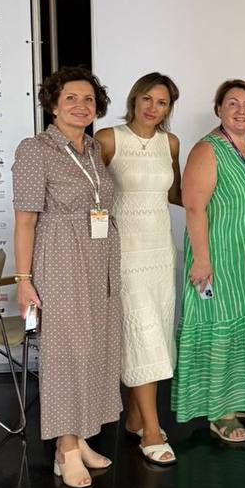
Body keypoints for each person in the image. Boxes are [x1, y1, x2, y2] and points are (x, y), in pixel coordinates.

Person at [12, 66, 121, 488]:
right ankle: (65, 449)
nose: (81, 105)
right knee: (65, 354)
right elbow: (25, 221)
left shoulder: (93, 148)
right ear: (53, 105)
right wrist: (24, 279)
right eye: (71, 98)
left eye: (89, 99)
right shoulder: (35, 149)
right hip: (60, 261)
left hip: (100, 260)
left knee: (94, 350)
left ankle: (79, 435)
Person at [171, 79, 245, 445]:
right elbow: (194, 208)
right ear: (218, 109)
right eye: (232, 103)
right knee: (221, 325)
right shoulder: (207, 149)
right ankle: (220, 410)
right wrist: (201, 260)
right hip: (217, 255)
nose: (240, 110)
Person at [96, 72, 182, 466]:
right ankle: (151, 429)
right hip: (125, 254)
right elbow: (91, 193)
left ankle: (134, 416)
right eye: (147, 98)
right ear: (134, 99)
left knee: (156, 334)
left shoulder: (171, 143)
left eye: (161, 102)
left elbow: (177, 194)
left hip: (161, 253)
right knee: (142, 334)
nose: (153, 107)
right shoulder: (108, 139)